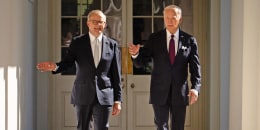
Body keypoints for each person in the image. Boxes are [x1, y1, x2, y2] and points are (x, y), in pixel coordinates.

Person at [37, 10, 122, 130]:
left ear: (105, 24)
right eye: (95, 22)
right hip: (83, 94)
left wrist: (118, 100)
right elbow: (67, 63)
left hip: (104, 95)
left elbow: (116, 74)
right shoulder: (78, 43)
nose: (98, 25)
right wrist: (55, 66)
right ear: (88, 23)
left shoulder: (112, 45)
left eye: (101, 22)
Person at [128, 5, 201, 130]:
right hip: (159, 92)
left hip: (180, 92)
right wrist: (135, 54)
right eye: (167, 18)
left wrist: (195, 88)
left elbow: (195, 67)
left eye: (173, 18)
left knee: (178, 127)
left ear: (180, 19)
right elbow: (141, 63)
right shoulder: (154, 38)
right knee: (161, 126)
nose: (170, 21)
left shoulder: (189, 40)